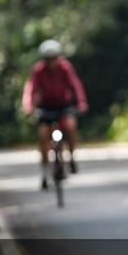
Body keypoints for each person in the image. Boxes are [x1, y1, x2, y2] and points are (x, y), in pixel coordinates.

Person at [22, 40, 89, 188]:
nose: (52, 62)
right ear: (44, 59)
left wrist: (81, 101)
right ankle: (45, 171)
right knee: (43, 135)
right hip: (46, 107)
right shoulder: (38, 70)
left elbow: (75, 85)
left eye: (54, 58)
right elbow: (30, 88)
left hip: (63, 106)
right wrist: (27, 105)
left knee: (71, 126)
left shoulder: (65, 67)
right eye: (48, 59)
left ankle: (71, 156)